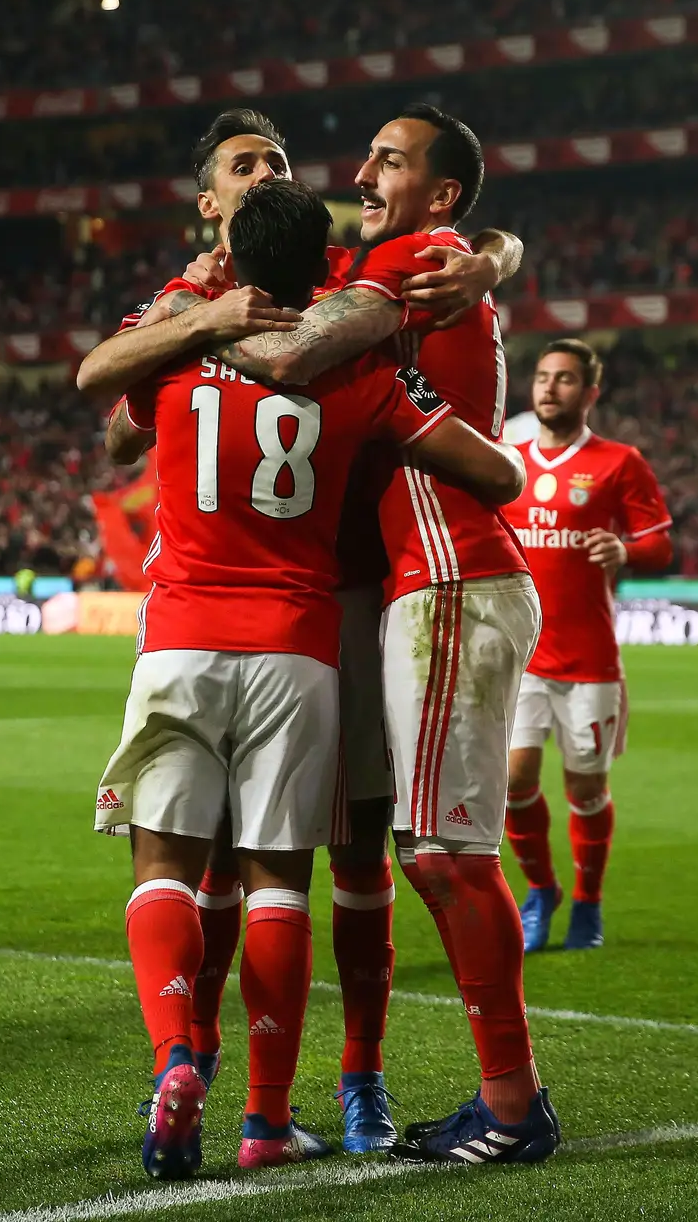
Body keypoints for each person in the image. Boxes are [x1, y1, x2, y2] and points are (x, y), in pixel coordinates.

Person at [76, 106, 524, 1154]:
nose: (273, 171)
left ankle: (328, 1074)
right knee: (261, 865)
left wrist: (493, 255)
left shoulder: (289, 294)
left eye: (279, 162)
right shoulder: (215, 304)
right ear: (210, 202)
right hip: (309, 620)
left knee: (346, 857)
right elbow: (115, 428)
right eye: (246, 164)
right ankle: (233, 1084)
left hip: (330, 603)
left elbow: (112, 400)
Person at [212, 104, 560, 1167]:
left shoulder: (417, 253)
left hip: (450, 570)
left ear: (441, 194)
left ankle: (512, 1106)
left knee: (447, 855)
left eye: (390, 160)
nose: (360, 171)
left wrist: (189, 320)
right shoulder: (440, 251)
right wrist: (500, 253)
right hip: (429, 578)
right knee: (432, 852)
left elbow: (305, 349)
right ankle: (503, 1096)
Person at [500, 339, 673, 953]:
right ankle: (541, 890)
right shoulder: (508, 462)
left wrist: (627, 551)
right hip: (522, 656)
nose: (549, 388)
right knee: (515, 780)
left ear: (590, 393)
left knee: (585, 790)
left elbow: (659, 544)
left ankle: (589, 903)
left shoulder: (619, 462)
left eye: (565, 379)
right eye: (543, 377)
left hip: (591, 660)